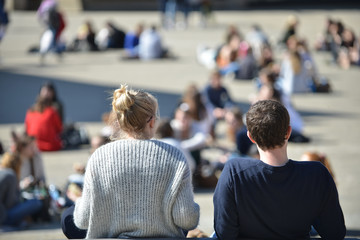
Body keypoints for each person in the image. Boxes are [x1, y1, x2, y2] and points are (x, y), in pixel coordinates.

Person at [61, 84, 199, 239]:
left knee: (67, 217)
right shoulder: (175, 157)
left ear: (120, 122)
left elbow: (82, 219)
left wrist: (78, 201)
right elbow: (187, 220)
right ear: (152, 122)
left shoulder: (98, 157)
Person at [213, 100, 346, 239]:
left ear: (251, 137)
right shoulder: (317, 174)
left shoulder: (234, 172)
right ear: (288, 132)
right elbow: (335, 233)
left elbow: (224, 233)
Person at [0, 152, 43, 228]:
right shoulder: (10, 174)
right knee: (36, 202)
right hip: (3, 217)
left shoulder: (2, 172)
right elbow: (10, 203)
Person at [25, 85, 63, 151]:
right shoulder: (52, 111)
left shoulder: (30, 110)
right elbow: (59, 128)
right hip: (49, 145)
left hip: (32, 144)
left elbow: (27, 129)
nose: (46, 93)